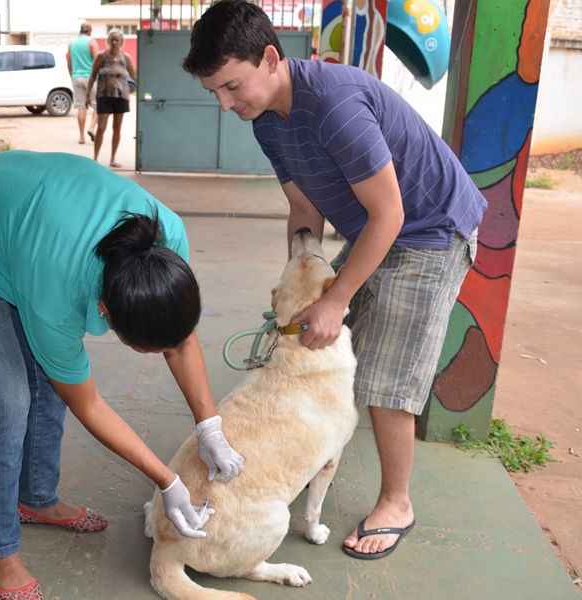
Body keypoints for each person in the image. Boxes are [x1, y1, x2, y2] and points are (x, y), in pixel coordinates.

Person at [182, 0, 487, 561]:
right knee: (344, 350)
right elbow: (302, 206)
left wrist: (336, 298)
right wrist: (301, 274)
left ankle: (397, 503)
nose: (225, 104)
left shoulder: (334, 107)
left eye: (231, 86)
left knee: (384, 374)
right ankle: (325, 454)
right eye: (214, 93)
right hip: (376, 226)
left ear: (270, 59)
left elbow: (390, 216)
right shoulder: (267, 118)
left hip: (427, 230)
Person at [0, 151, 245, 598]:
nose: (164, 352)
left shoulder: (166, 240)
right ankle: (0, 551)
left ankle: (36, 497)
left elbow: (180, 338)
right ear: (104, 311)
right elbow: (87, 402)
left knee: (48, 377)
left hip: (16, 218)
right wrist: (167, 479)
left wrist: (209, 426)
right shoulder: (57, 291)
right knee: (8, 398)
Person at [86, 28, 136, 168]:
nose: (114, 42)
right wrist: (87, 94)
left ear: (121, 42)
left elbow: (135, 76)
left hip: (121, 96)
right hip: (104, 95)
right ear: (108, 41)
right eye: (112, 39)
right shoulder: (102, 56)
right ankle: (95, 158)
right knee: (101, 127)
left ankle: (112, 158)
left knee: (117, 128)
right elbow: (92, 75)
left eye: (117, 40)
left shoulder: (125, 57)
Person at [67, 22, 99, 144]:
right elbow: (98, 61)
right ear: (90, 31)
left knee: (81, 107)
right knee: (97, 106)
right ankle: (91, 128)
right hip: (91, 78)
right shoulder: (92, 42)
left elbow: (69, 63)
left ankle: (81, 136)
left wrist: (72, 76)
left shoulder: (72, 43)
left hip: (76, 77)